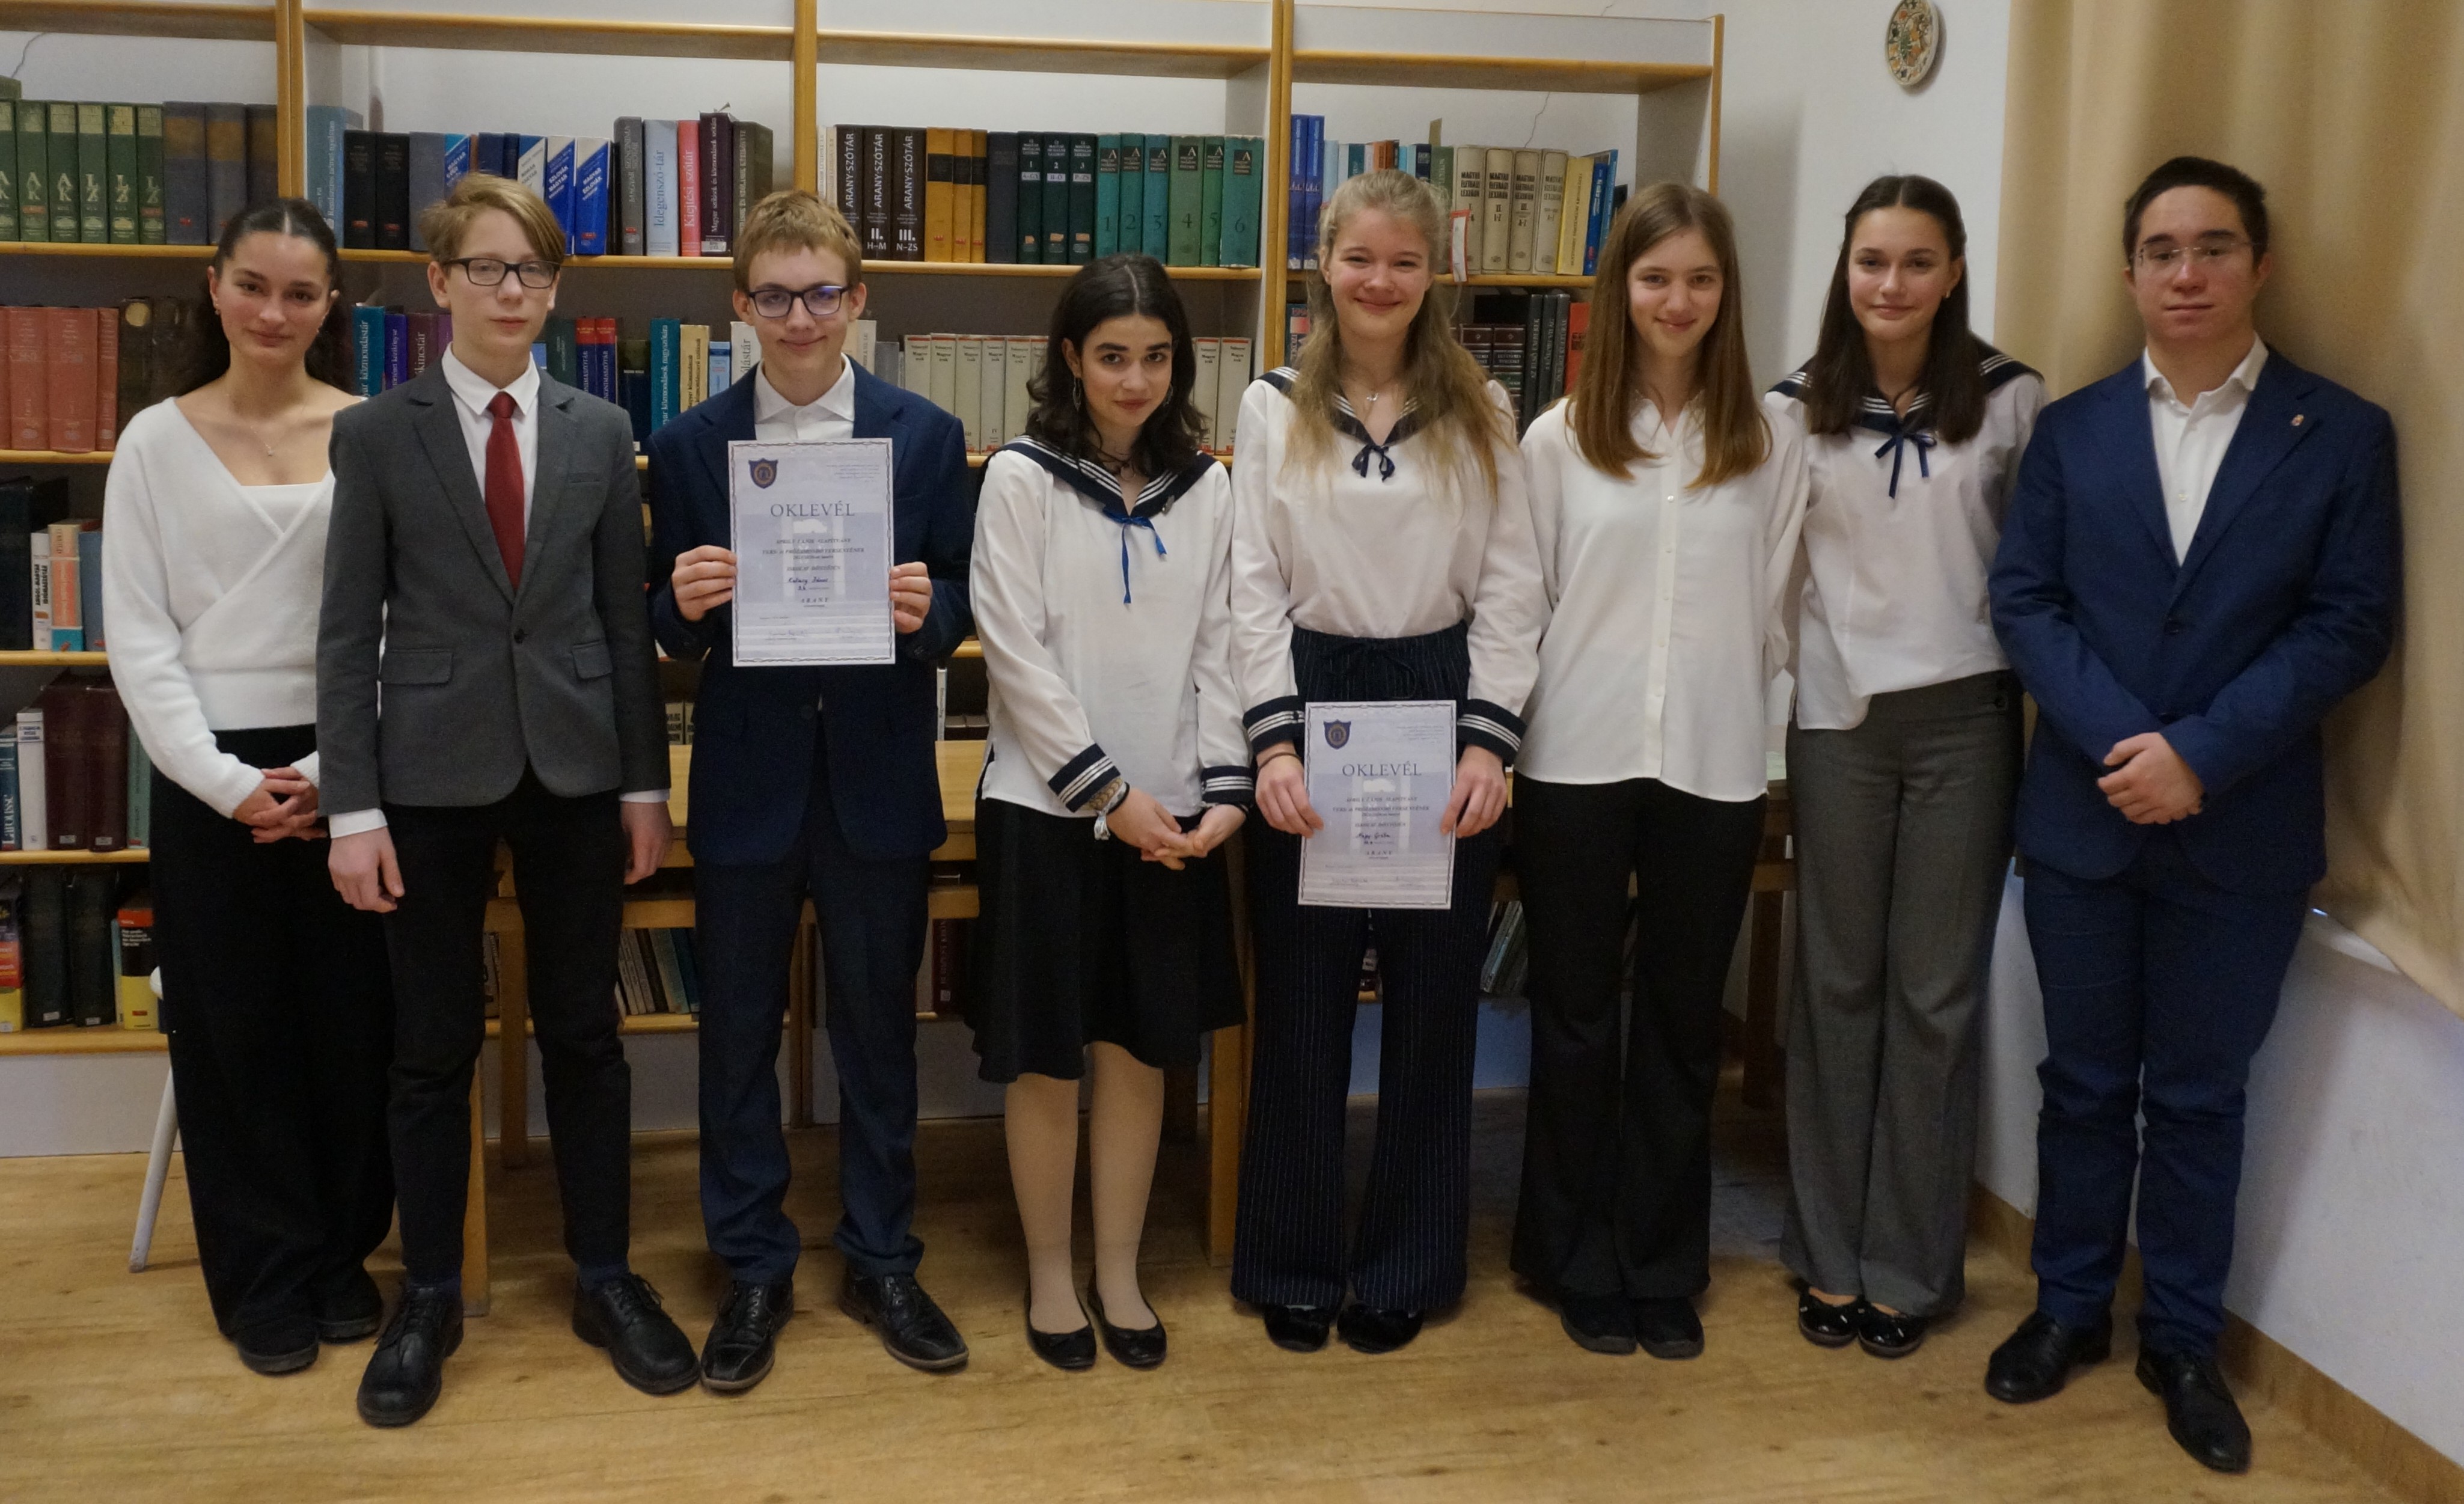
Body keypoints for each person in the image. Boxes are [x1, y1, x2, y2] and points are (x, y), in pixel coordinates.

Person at [1984, 156, 2400, 1474]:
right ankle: (2065, 1308)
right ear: (2128, 274)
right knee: (2082, 1083)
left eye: (2213, 247)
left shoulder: (2340, 434)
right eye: (2161, 251)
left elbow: (2349, 624)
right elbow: (2025, 601)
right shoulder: (2073, 431)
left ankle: (2180, 1342)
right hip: (2085, 818)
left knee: (2202, 1099)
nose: (2186, 273)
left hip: (2240, 831)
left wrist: (2200, 758)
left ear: (2259, 266)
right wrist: (2129, 746)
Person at [320, 172, 695, 1426]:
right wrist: (353, 810)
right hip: (427, 773)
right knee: (430, 1048)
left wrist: (644, 782)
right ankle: (429, 1292)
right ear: (440, 283)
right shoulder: (379, 433)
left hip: (578, 770)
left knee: (585, 1034)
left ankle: (606, 1275)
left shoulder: (599, 431)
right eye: (486, 268)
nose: (511, 290)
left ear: (554, 288)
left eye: (532, 270)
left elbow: (621, 624)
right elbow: (345, 633)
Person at [647, 189, 975, 1386]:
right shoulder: (690, 442)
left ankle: (882, 1257)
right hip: (748, 784)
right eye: (776, 295)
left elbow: (958, 595)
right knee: (736, 1036)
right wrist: (680, 602)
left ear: (857, 300)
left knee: (879, 1035)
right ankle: (753, 1266)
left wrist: (926, 610)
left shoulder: (924, 436)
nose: (800, 317)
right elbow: (660, 619)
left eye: (822, 293)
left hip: (878, 781)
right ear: (740, 305)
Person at [1229, 168, 1544, 1356]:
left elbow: (1513, 582)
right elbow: (1249, 583)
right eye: (1359, 258)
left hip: (1439, 706)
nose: (1379, 280)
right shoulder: (1272, 406)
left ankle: (1408, 1262)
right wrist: (1271, 739)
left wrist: (1489, 738)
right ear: (1325, 264)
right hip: (1312, 703)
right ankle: (1295, 1260)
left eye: (1403, 262)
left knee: (1429, 1008)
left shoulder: (1484, 409)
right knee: (1303, 1003)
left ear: (1433, 275)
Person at [1511, 183, 1806, 1361]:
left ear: (1725, 291)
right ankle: (1572, 1256)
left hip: (1712, 764)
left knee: (1685, 1024)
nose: (1676, 301)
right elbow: (1522, 602)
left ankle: (1661, 1261)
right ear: (1618, 289)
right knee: (1577, 1016)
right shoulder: (1557, 439)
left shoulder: (1770, 443)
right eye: (1653, 278)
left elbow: (1776, 609)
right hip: (1575, 759)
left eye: (1698, 279)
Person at [101, 198, 393, 1377]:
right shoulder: (151, 442)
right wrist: (228, 785)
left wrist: (327, 772)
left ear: (332, 307)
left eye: (301, 293)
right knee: (233, 1033)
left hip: (349, 769)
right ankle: (263, 1273)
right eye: (254, 286)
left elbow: (399, 620)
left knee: (352, 1023)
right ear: (214, 287)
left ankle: (341, 1254)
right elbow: (137, 637)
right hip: (205, 778)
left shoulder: (371, 431)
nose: (275, 312)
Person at [1767, 176, 2044, 1360]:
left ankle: (1908, 1268)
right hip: (1838, 723)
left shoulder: (2012, 399)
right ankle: (1828, 1255)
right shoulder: (1791, 410)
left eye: (1916, 262)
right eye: (1871, 261)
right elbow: (1771, 579)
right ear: (1846, 271)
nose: (1891, 284)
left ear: (1953, 271)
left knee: (1934, 997)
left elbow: (2038, 574)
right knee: (1834, 985)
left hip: (1966, 724)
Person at [967, 254, 1247, 1372]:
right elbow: (1014, 654)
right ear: (1071, 360)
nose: (1136, 379)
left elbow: (1223, 647)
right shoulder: (1019, 478)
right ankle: (1050, 1272)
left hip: (1172, 818)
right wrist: (1107, 793)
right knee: (1049, 1057)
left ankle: (1119, 1269)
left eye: (1157, 357)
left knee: (1138, 1053)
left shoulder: (1210, 488)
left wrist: (1222, 791)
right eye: (1113, 356)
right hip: (1046, 811)